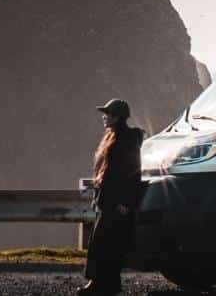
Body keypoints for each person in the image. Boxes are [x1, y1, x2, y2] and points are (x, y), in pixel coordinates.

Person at [79, 98, 144, 296]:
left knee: (102, 244)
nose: (104, 117)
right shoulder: (114, 137)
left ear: (117, 117)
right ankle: (110, 285)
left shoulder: (125, 140)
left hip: (117, 203)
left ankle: (97, 284)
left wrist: (126, 202)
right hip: (108, 201)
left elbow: (134, 173)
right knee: (107, 244)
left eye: (107, 114)